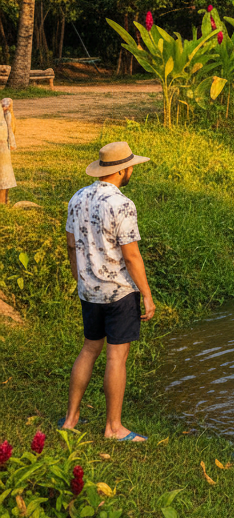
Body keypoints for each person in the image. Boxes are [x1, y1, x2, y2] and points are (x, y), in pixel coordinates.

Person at [61, 141, 156, 441]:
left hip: (88, 291)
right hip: (118, 293)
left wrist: (80, 278)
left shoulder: (76, 198)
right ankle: (113, 428)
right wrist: (148, 295)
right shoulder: (122, 204)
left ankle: (71, 419)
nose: (131, 171)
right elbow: (131, 256)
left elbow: (70, 244)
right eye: (131, 167)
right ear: (123, 170)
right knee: (116, 357)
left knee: (90, 348)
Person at [0, 97, 16, 203]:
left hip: (3, 147)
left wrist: (12, 143)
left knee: (4, 174)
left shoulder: (7, 116)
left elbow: (10, 129)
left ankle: (3, 201)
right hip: (3, 146)